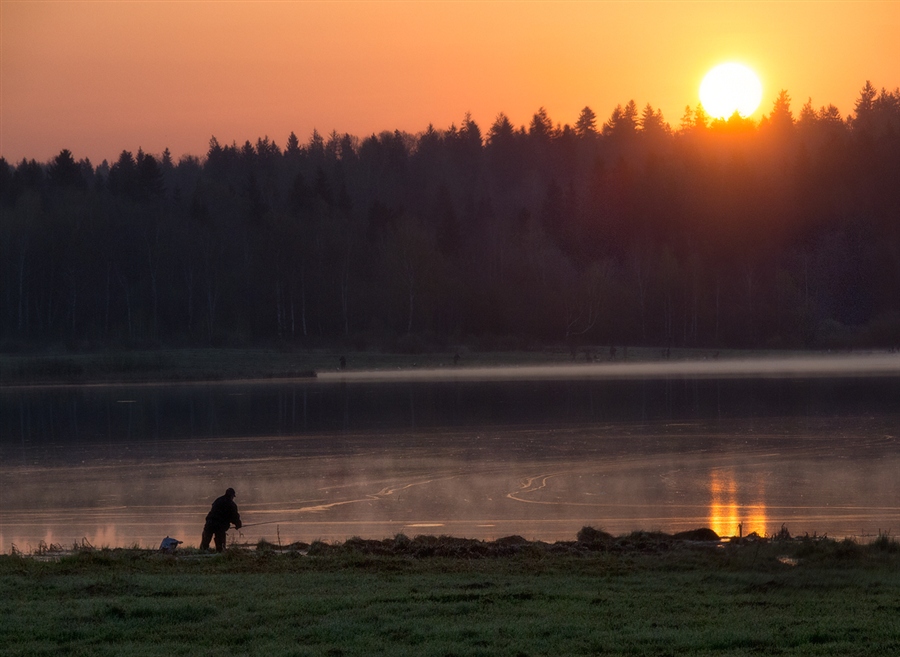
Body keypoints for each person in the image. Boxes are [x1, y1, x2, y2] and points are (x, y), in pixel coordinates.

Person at [200, 487, 242, 552]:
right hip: (220, 526)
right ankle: (219, 553)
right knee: (220, 546)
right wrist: (238, 524)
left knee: (205, 542)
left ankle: (202, 552)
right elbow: (234, 516)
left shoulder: (218, 500)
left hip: (210, 523)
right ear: (231, 496)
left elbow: (212, 511)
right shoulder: (231, 504)